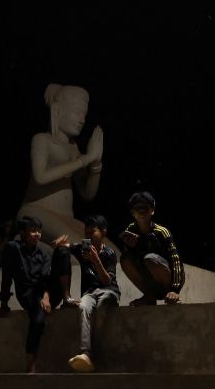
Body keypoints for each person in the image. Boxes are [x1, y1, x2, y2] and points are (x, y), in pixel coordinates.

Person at [17, 84, 108, 247]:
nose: (82, 119)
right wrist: (85, 159)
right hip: (36, 213)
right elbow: (40, 177)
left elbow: (87, 193)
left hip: (65, 218)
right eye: (77, 112)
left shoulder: (74, 149)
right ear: (57, 110)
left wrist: (96, 163)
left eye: (84, 114)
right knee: (84, 251)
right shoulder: (42, 140)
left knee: (109, 252)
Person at [54, 215, 120, 373]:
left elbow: (106, 281)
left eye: (93, 232)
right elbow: (66, 247)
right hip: (90, 292)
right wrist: (59, 245)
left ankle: (97, 354)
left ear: (103, 233)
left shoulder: (109, 253)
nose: (89, 236)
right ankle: (86, 353)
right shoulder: (81, 249)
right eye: (86, 233)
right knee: (83, 307)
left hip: (109, 291)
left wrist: (96, 261)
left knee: (103, 305)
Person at [0, 215, 63, 373]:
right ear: (22, 233)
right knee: (38, 320)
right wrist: (4, 303)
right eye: (33, 231)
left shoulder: (43, 254)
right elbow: (6, 276)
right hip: (27, 293)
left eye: (39, 231)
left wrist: (46, 297)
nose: (37, 235)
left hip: (46, 293)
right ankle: (30, 362)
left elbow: (46, 280)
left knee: (61, 253)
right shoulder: (13, 248)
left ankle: (66, 298)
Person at [118, 191, 184, 306]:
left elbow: (176, 260)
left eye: (145, 207)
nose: (141, 211)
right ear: (132, 212)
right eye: (138, 208)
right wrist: (131, 248)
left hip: (168, 278)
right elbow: (132, 261)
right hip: (150, 280)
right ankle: (149, 295)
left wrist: (175, 289)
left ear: (152, 210)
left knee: (150, 258)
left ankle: (171, 295)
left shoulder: (162, 232)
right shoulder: (131, 230)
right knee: (125, 259)